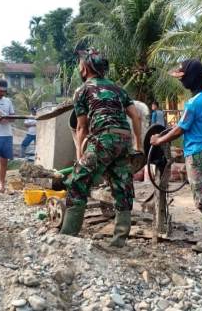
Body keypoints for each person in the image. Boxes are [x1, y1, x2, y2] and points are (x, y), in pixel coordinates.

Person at [59, 48, 142, 249]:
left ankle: (68, 237)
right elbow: (136, 117)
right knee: (122, 186)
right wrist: (138, 144)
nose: (79, 67)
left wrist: (79, 154)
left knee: (78, 181)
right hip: (124, 139)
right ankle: (119, 240)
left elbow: (81, 126)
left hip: (103, 138)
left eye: (80, 65)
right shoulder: (118, 89)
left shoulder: (82, 90)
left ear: (86, 68)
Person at [150, 59, 202, 255]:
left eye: (183, 78)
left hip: (197, 155)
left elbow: (180, 129)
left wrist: (158, 141)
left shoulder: (193, 102)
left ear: (191, 77)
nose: (181, 82)